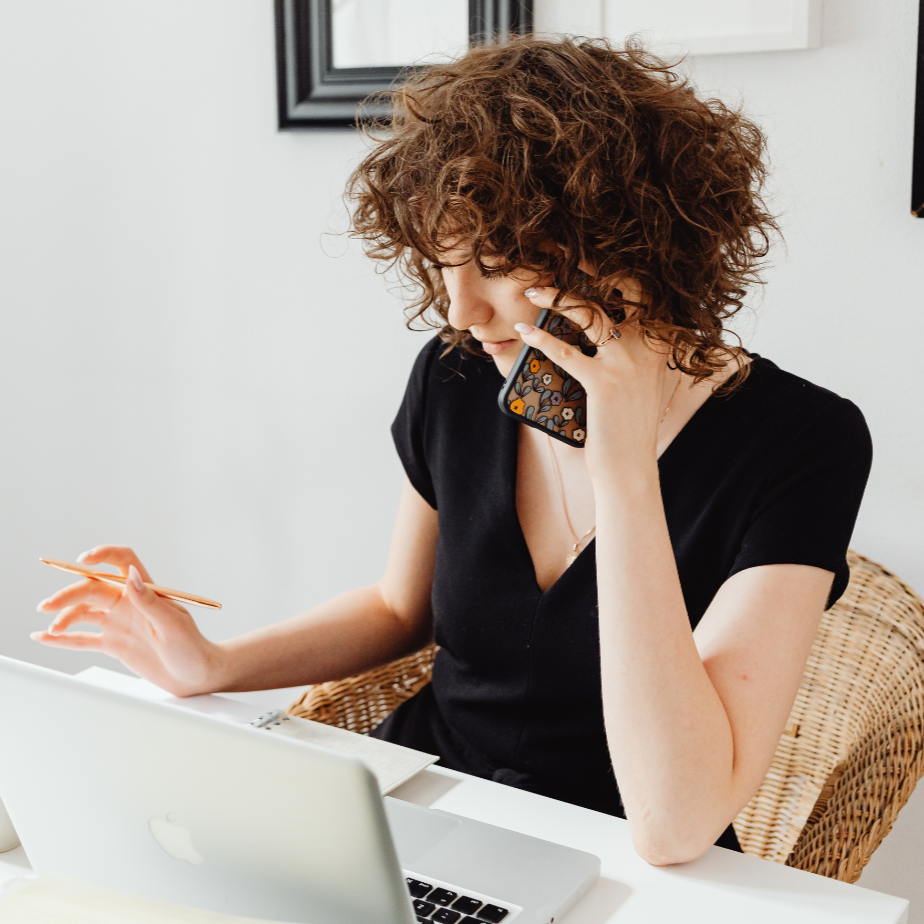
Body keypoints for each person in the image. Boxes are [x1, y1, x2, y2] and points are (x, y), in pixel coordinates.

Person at [32, 37, 872, 866]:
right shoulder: (459, 373)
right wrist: (213, 665)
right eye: (444, 263)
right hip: (419, 820)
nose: (461, 309)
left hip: (617, 868)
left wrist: (622, 473)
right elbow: (402, 609)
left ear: (631, 248)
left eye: (499, 264)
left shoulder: (804, 442)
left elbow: (674, 820)